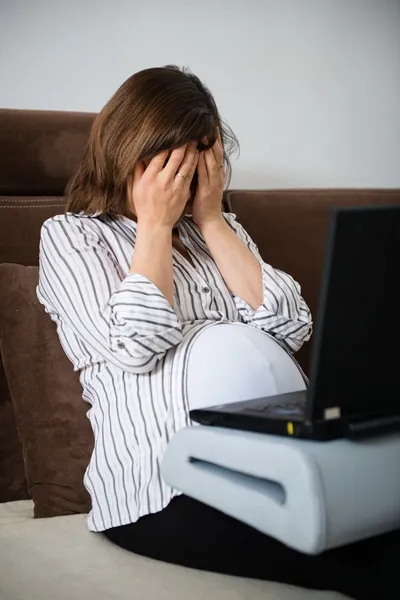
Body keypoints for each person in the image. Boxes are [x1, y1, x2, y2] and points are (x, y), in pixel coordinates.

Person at [37, 65, 398, 600]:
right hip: (163, 489)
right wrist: (155, 225)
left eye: (202, 157)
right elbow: (134, 345)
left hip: (279, 463)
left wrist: (211, 221)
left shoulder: (222, 233)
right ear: (130, 151)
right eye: (173, 160)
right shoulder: (72, 237)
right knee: (362, 566)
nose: (187, 176)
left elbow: (290, 323)